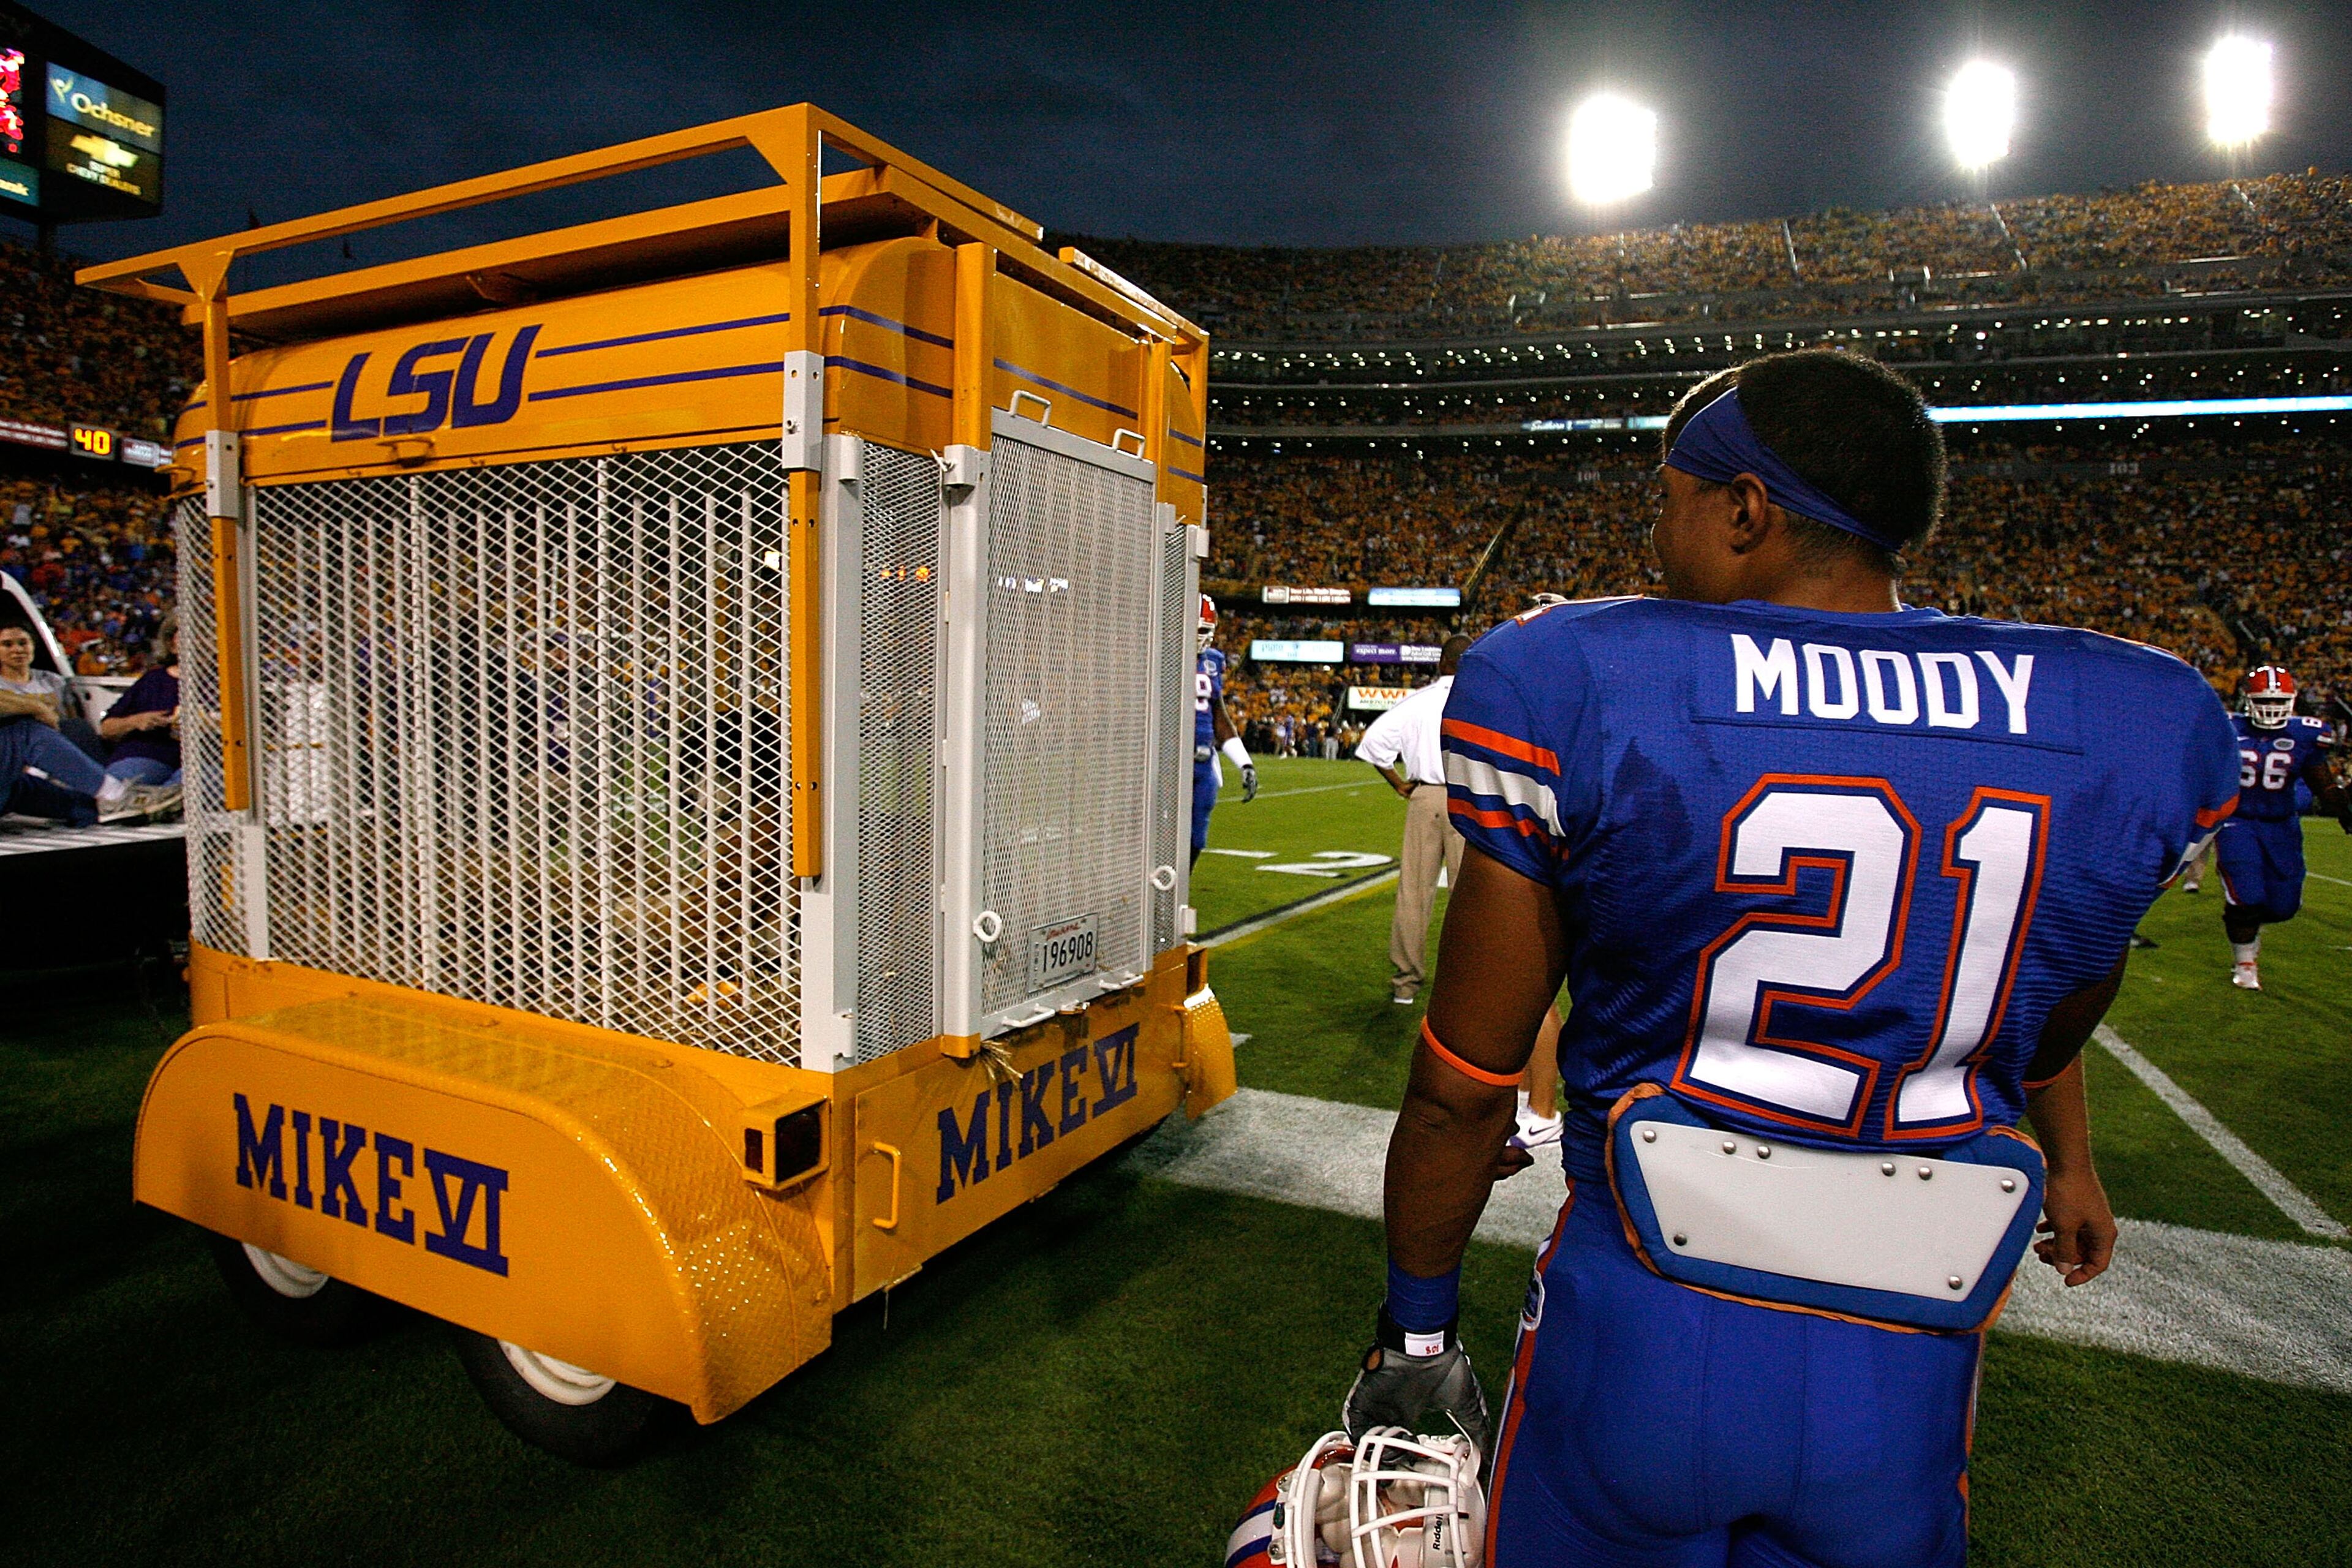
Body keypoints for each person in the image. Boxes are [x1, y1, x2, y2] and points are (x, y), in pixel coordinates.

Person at [1341, 350, 2236, 1568]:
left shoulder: (1582, 675)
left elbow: (1459, 1085)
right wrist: (2069, 1153)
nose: (1656, 531)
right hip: (1907, 1368)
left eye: (1669, 498)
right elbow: (2050, 1013)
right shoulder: (2133, 715)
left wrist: (1418, 1338)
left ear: (1746, 507)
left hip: (1645, 1323)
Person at [2213, 665, 2350, 990]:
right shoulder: (2225, 728)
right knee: (2246, 897)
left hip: (2282, 825)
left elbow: (2323, 785)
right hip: (2238, 821)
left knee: (2284, 907)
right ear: (2247, 699)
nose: (2271, 708)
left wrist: (2343, 808)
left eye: (2278, 701)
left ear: (2292, 700)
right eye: (2264, 700)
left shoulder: (2305, 734)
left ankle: (2249, 929)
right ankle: (2245, 962)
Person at [1354, 635, 1470, 1005]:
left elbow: (1373, 745)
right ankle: (1463, 985)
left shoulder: (1416, 701)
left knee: (1414, 894)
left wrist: (1400, 785)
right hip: (1468, 800)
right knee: (1466, 896)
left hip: (1424, 797)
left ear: (1441, 664)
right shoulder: (1481, 703)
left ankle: (1405, 983)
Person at [0, 624, 179, 825]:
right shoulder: (154, 680)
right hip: (23, 757)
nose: (17, 650)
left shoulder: (51, 681)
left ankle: (127, 806)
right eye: (7, 645)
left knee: (88, 808)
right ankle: (116, 794)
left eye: (23, 643)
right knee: (26, 732)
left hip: (12, 784)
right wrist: (37, 708)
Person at [1192, 594, 1256, 868]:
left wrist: (1245, 763)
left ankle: (1178, 895)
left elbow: (1220, 717)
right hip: (1165, 759)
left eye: (1204, 630)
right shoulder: (1158, 654)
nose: (1198, 636)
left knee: (1196, 838)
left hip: (1202, 760)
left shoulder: (1213, 661)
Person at [99, 619, 183, 788]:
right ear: (172, 645)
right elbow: (107, 729)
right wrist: (137, 721)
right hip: (146, 755)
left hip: (201, 763)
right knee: (116, 790)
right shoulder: (153, 680)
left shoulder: (224, 683)